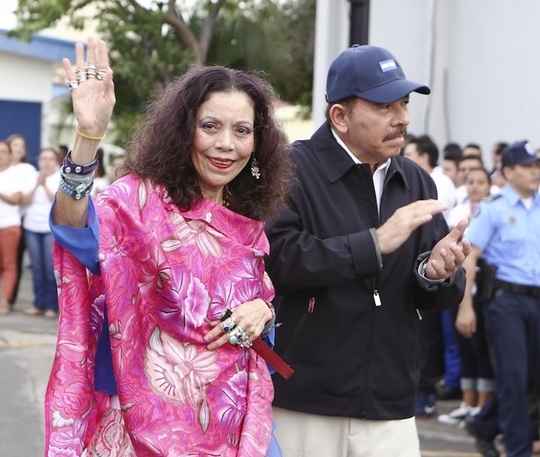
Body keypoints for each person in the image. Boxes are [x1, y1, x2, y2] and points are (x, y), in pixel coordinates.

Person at [45, 37, 293, 456]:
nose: (226, 144)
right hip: (141, 426)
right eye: (210, 126)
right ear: (184, 131)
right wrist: (88, 136)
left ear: (256, 144)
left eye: (242, 130)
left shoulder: (248, 223)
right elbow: (71, 225)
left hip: (231, 423)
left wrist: (262, 312)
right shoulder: (139, 205)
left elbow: (249, 309)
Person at [265, 44, 471, 457]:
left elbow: (435, 292)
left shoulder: (416, 180)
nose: (403, 119)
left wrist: (437, 273)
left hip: (391, 404)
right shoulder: (289, 170)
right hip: (306, 401)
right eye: (384, 106)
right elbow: (280, 261)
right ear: (339, 116)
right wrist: (373, 244)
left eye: (405, 103)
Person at [461, 140, 540, 457]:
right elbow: (470, 258)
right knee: (513, 375)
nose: (535, 171)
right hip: (504, 301)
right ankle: (517, 450)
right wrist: (465, 306)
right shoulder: (494, 209)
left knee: (531, 378)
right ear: (507, 171)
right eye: (528, 166)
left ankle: (484, 424)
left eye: (537, 165)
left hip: (536, 300)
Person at [438, 167, 495, 426]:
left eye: (480, 182)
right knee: (464, 348)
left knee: (481, 348)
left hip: (483, 290)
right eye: (471, 182)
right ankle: (467, 402)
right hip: (458, 287)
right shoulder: (459, 210)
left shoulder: (494, 210)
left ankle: (482, 406)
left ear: (489, 185)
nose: (475, 186)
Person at [20, 147, 59, 318]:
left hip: (50, 228)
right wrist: (37, 185)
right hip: (31, 227)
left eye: (50, 158)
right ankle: (38, 303)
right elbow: (23, 201)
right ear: (39, 160)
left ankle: (52, 306)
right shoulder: (31, 177)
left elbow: (59, 202)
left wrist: (45, 186)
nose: (47, 162)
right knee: (36, 267)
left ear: (56, 162)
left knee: (50, 268)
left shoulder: (60, 178)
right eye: (44, 158)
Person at [6, 133, 36, 308]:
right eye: (15, 145)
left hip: (18, 221)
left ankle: (9, 298)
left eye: (22, 146)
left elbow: (24, 198)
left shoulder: (27, 170)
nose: (18, 149)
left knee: (14, 261)